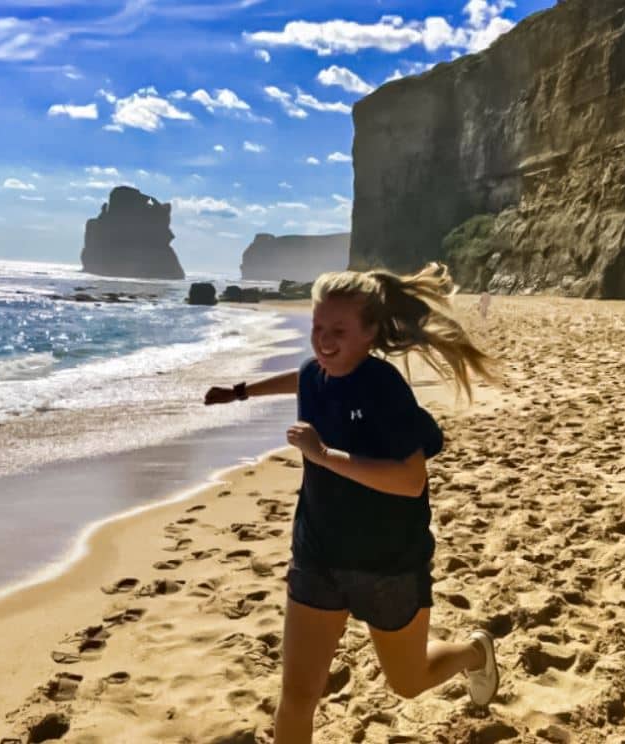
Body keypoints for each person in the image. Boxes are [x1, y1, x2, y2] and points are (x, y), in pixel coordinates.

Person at [204, 261, 502, 744]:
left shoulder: (384, 389)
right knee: (298, 695)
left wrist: (324, 456)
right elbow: (301, 378)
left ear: (369, 333)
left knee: (408, 683)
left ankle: (474, 653)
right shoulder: (317, 372)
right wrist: (239, 392)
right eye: (317, 327)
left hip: (387, 562)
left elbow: (409, 481)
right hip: (317, 554)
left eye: (338, 330)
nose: (323, 339)